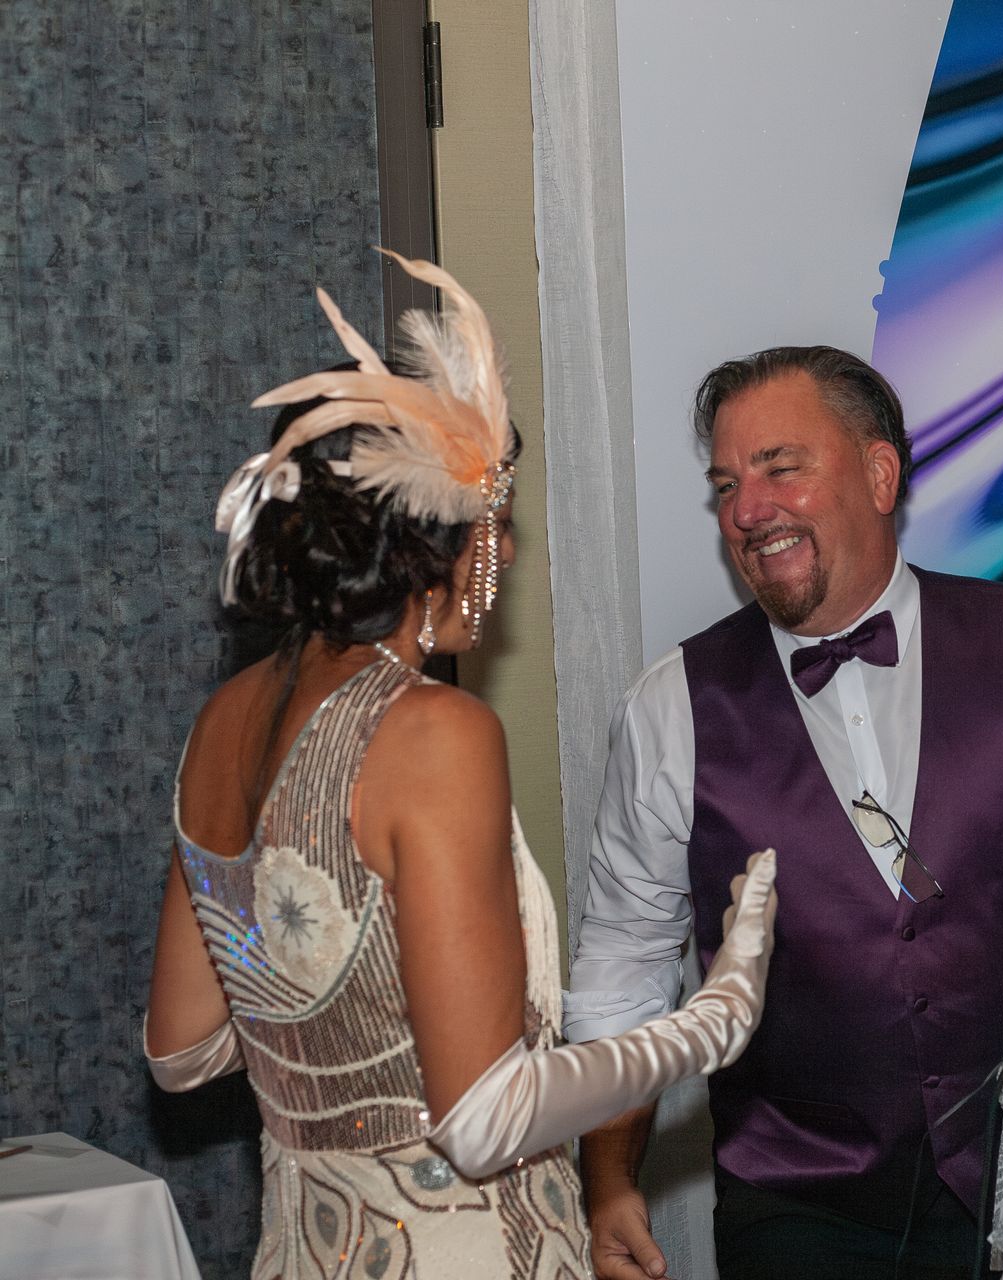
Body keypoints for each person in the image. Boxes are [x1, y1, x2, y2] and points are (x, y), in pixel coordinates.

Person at [144, 253, 777, 1278]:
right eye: (501, 525)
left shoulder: (225, 716)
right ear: (442, 541)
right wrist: (711, 1018)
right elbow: (485, 1121)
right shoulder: (437, 729)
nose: (510, 555)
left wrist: (349, 1055)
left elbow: (183, 1050)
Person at [566, 346, 1003, 1280]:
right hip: (795, 1214)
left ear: (879, 473)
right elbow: (622, 966)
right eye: (726, 484)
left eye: (780, 467)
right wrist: (609, 1181)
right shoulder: (670, 707)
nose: (746, 510)